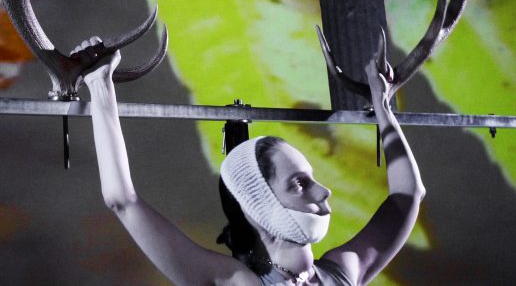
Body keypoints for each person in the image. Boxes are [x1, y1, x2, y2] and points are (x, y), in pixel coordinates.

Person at [72, 36, 425, 285]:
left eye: (312, 179)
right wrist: (100, 85)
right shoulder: (235, 281)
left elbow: (408, 195)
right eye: (299, 183)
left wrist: (383, 107)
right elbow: (123, 201)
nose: (323, 192)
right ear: (261, 203)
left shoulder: (341, 273)